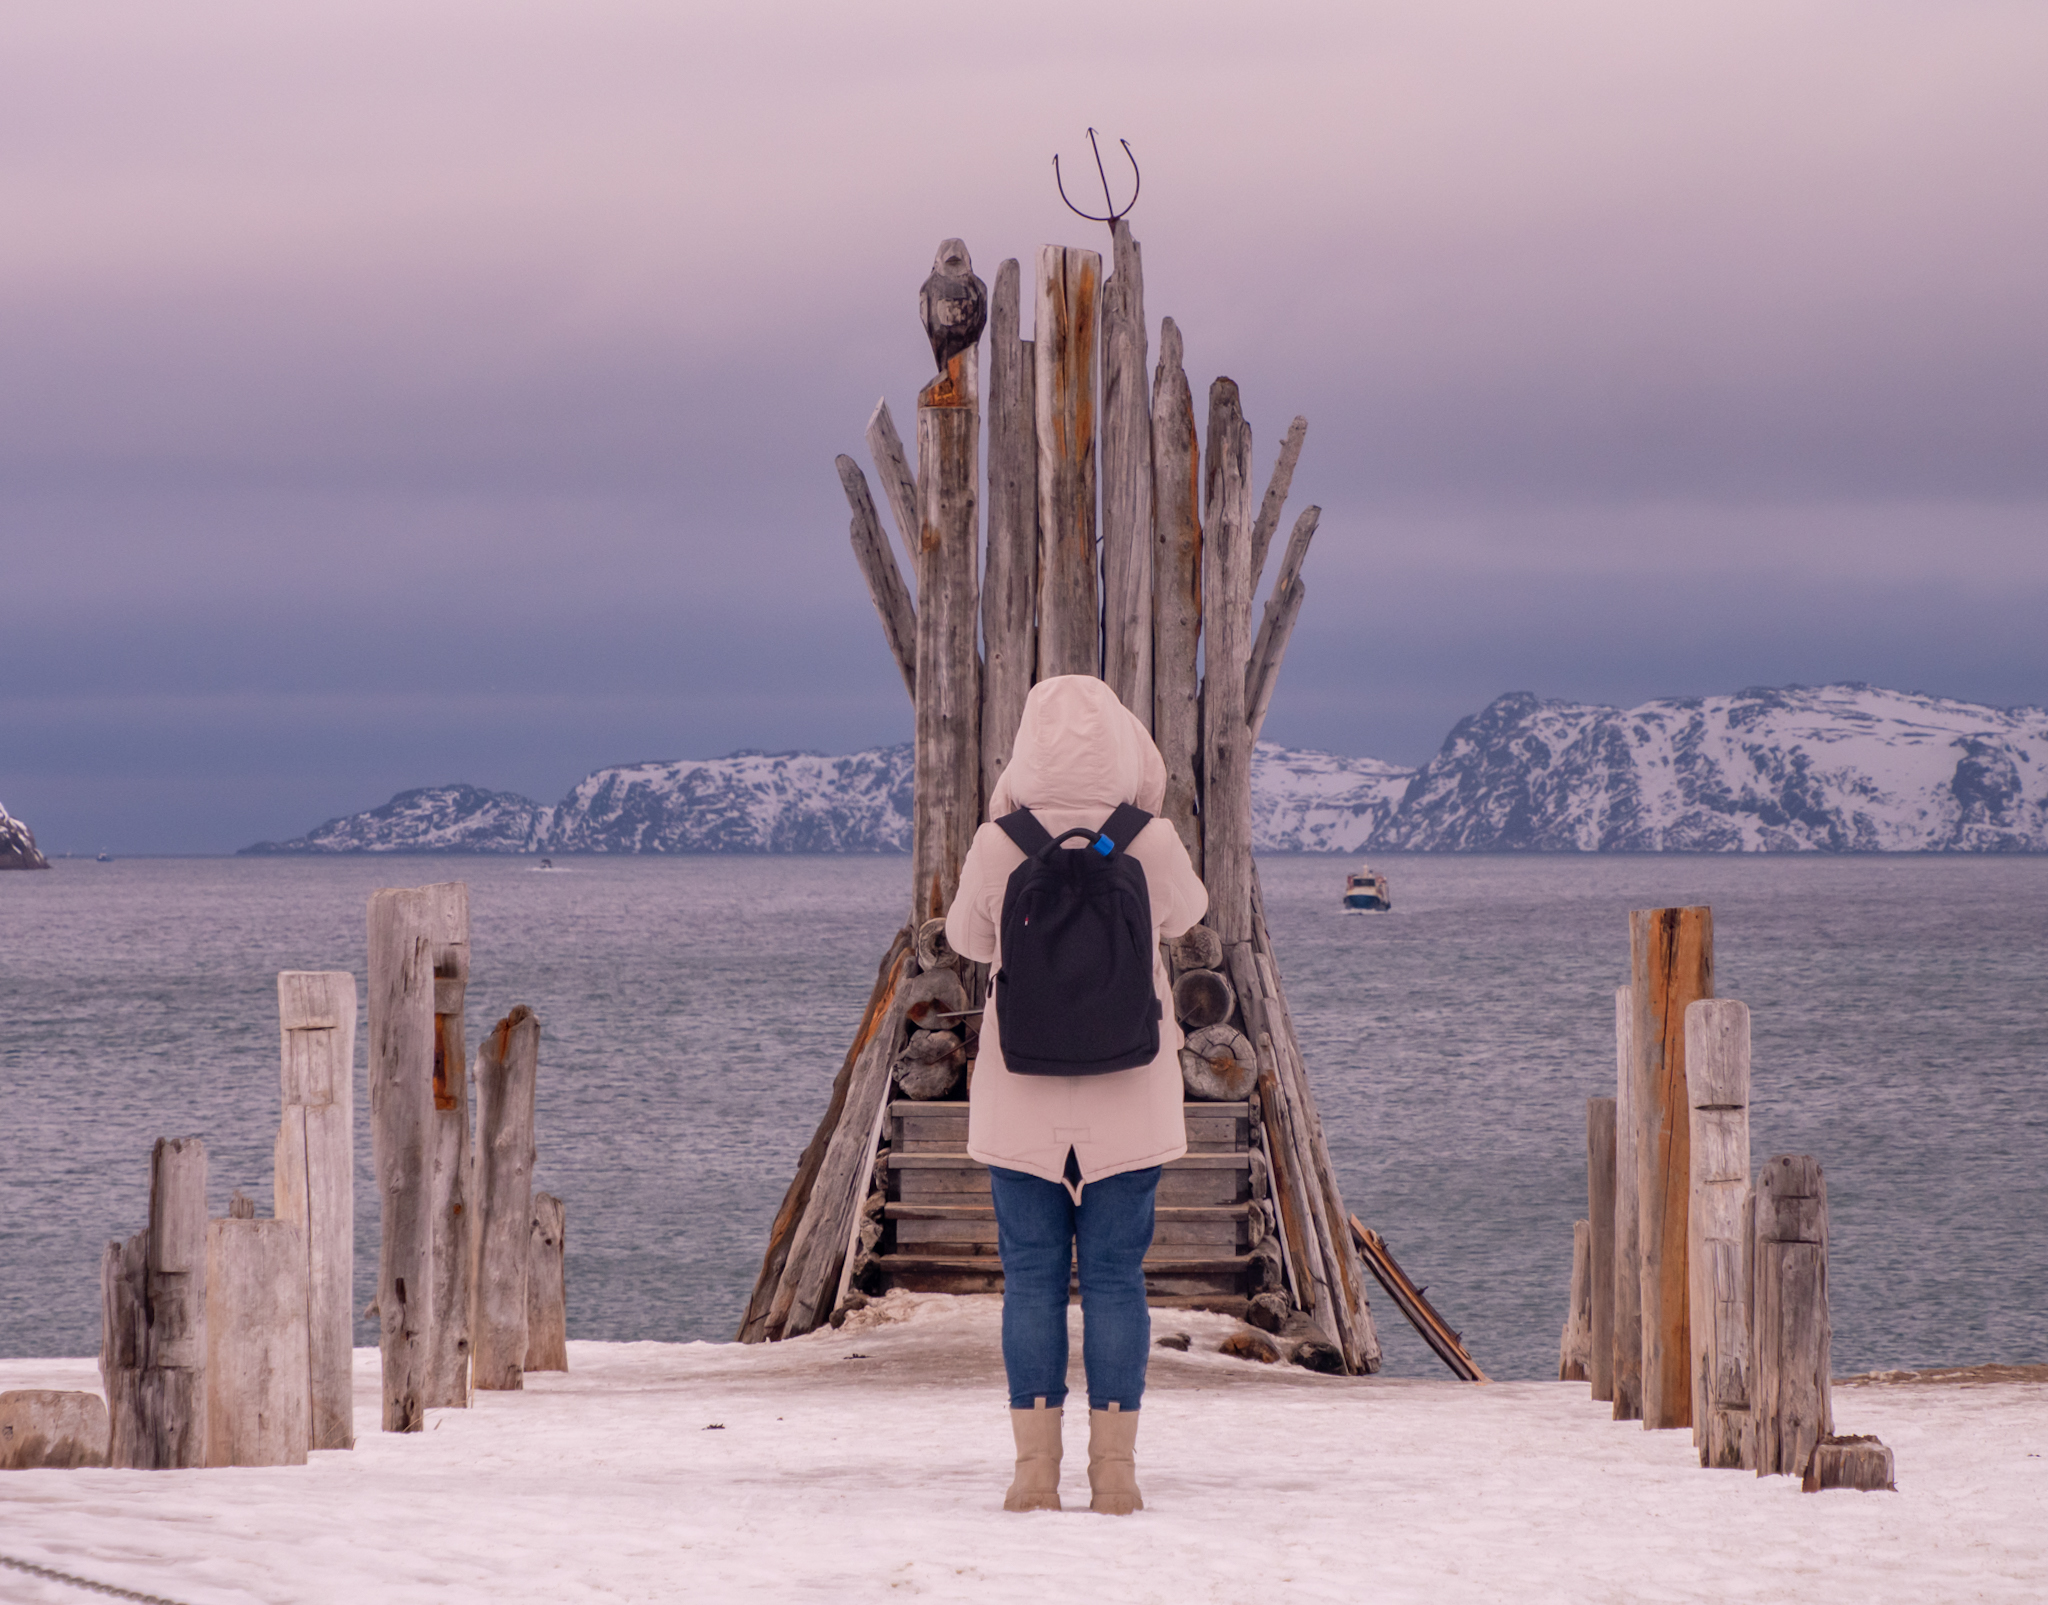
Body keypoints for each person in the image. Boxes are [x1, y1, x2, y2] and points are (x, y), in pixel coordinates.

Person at [945, 675, 1207, 1515]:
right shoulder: (1146, 839)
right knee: (1115, 1276)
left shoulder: (1000, 841)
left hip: (1020, 1089)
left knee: (1029, 1276)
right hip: (1129, 1085)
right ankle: (1115, 1476)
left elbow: (963, 938)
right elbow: (1186, 916)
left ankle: (1032, 1475)